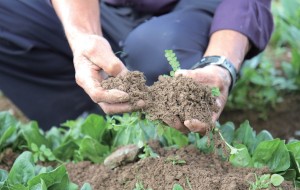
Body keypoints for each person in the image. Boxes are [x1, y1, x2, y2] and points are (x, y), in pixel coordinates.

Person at [0, 0, 273, 132]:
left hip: (190, 10)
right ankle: (95, 122)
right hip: (104, 7)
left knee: (155, 53)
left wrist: (221, 61)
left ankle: (176, 123)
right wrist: (85, 37)